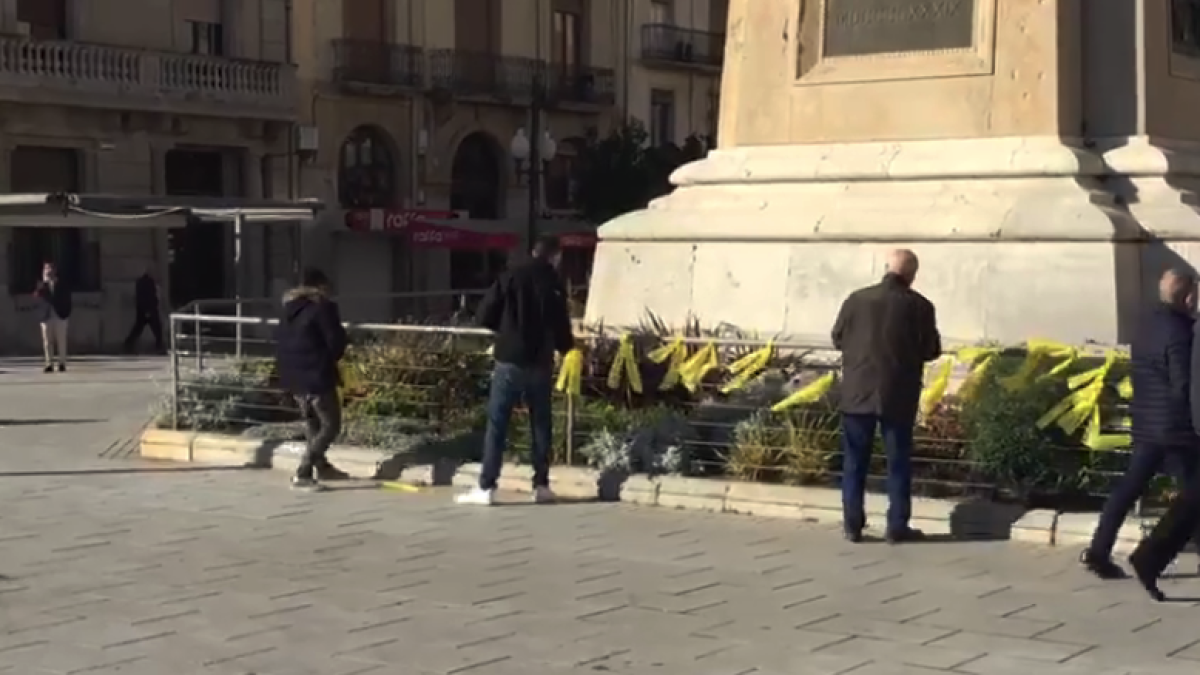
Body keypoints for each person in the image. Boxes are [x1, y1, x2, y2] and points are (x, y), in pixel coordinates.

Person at [1081, 269, 1200, 580]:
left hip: (1147, 424)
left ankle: (1099, 550)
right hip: (1177, 429)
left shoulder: (1145, 327)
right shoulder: (1181, 332)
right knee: (1192, 494)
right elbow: (1183, 384)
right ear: (1188, 295)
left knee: (1128, 489)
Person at [831, 249, 941, 544]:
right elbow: (932, 350)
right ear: (912, 275)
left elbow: (837, 337)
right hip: (898, 394)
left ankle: (852, 524)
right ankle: (896, 525)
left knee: (854, 461)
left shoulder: (857, 299)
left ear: (885, 268)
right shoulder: (920, 306)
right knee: (898, 462)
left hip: (857, 393)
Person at [456, 235, 575, 506]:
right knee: (541, 424)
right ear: (555, 256)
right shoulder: (553, 283)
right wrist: (566, 348)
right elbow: (561, 326)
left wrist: (507, 331)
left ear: (534, 251)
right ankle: (541, 484)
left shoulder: (511, 276)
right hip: (541, 360)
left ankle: (487, 486)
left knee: (498, 423)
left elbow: (484, 314)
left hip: (509, 358)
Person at [274, 268, 351, 490]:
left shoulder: (289, 310)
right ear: (320, 286)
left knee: (312, 423)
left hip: (293, 375)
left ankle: (323, 467)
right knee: (331, 425)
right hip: (316, 373)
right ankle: (304, 471)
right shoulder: (323, 308)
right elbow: (335, 342)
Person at [33, 262, 71, 373]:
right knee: (47, 341)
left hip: (60, 315)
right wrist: (44, 284)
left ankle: (62, 363)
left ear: (55, 270)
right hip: (46, 316)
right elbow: (36, 297)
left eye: (50, 268)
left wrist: (66, 312)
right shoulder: (41, 284)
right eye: (46, 269)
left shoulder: (62, 283)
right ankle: (49, 363)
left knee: (61, 340)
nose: (48, 271)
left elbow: (67, 298)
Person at [123, 265, 164, 353]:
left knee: (139, 328)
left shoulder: (141, 282)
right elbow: (147, 297)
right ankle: (159, 346)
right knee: (156, 328)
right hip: (149, 310)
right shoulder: (148, 282)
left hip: (144, 309)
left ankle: (128, 344)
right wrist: (148, 310)